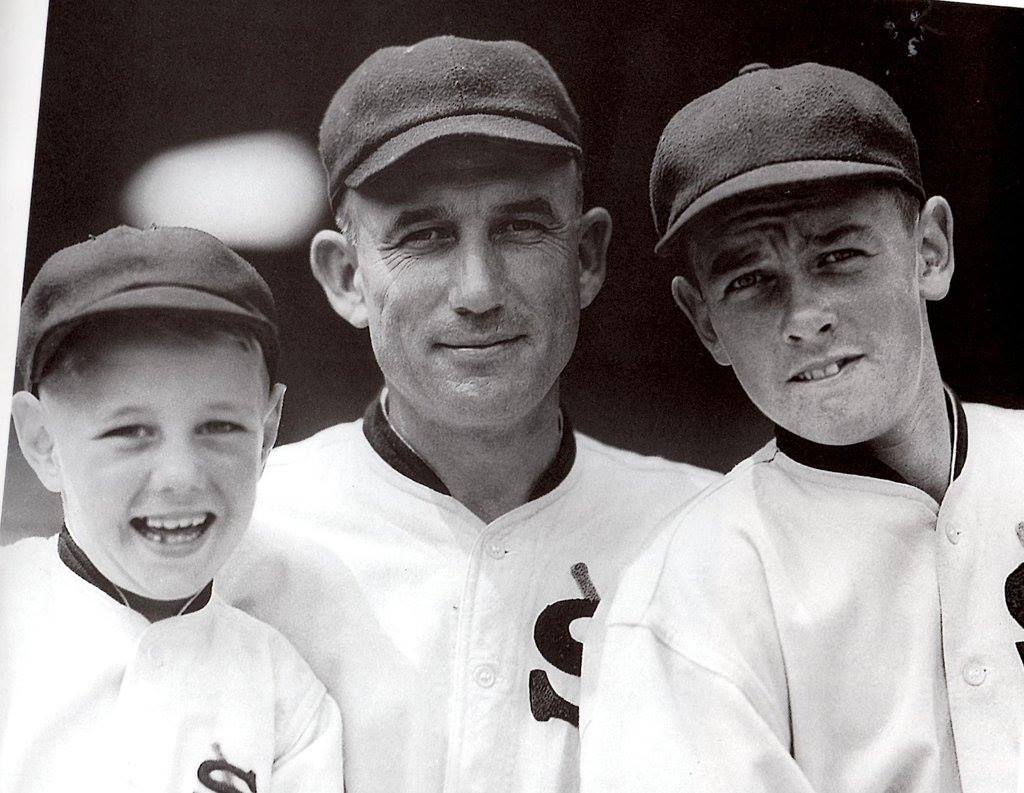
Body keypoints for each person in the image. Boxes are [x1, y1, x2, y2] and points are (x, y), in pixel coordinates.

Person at [218, 35, 719, 793]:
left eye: (520, 227)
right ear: (347, 275)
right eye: (424, 236)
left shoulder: (703, 536)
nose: (478, 289)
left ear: (586, 258)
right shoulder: (241, 539)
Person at [579, 62, 1024, 793]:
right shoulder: (695, 587)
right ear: (705, 323)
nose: (804, 315)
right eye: (750, 279)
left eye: (838, 255)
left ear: (930, 251)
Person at [0, 225, 344, 792]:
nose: (181, 476)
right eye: (130, 430)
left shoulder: (285, 694)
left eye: (219, 427)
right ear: (42, 441)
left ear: (267, 433)